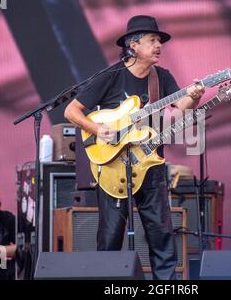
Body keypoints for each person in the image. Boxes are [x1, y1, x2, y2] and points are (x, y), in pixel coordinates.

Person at [64, 15, 205, 279]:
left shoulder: (160, 78)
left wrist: (194, 97)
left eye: (159, 41)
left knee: (161, 235)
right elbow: (72, 111)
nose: (159, 46)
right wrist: (98, 129)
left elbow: (183, 107)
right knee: (110, 237)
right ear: (133, 46)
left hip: (150, 166)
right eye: (152, 40)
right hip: (114, 167)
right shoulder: (111, 76)